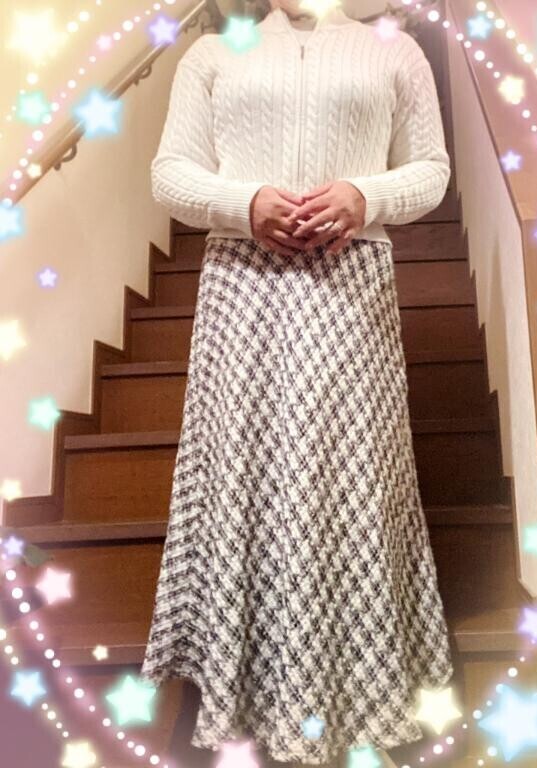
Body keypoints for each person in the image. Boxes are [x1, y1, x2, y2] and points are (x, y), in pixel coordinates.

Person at [140, 0, 455, 765]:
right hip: (242, 284)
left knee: (349, 479)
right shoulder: (213, 53)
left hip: (351, 282)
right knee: (247, 478)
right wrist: (243, 202)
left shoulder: (394, 50)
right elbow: (170, 172)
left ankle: (362, 689)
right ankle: (249, 691)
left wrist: (365, 196)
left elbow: (432, 170)